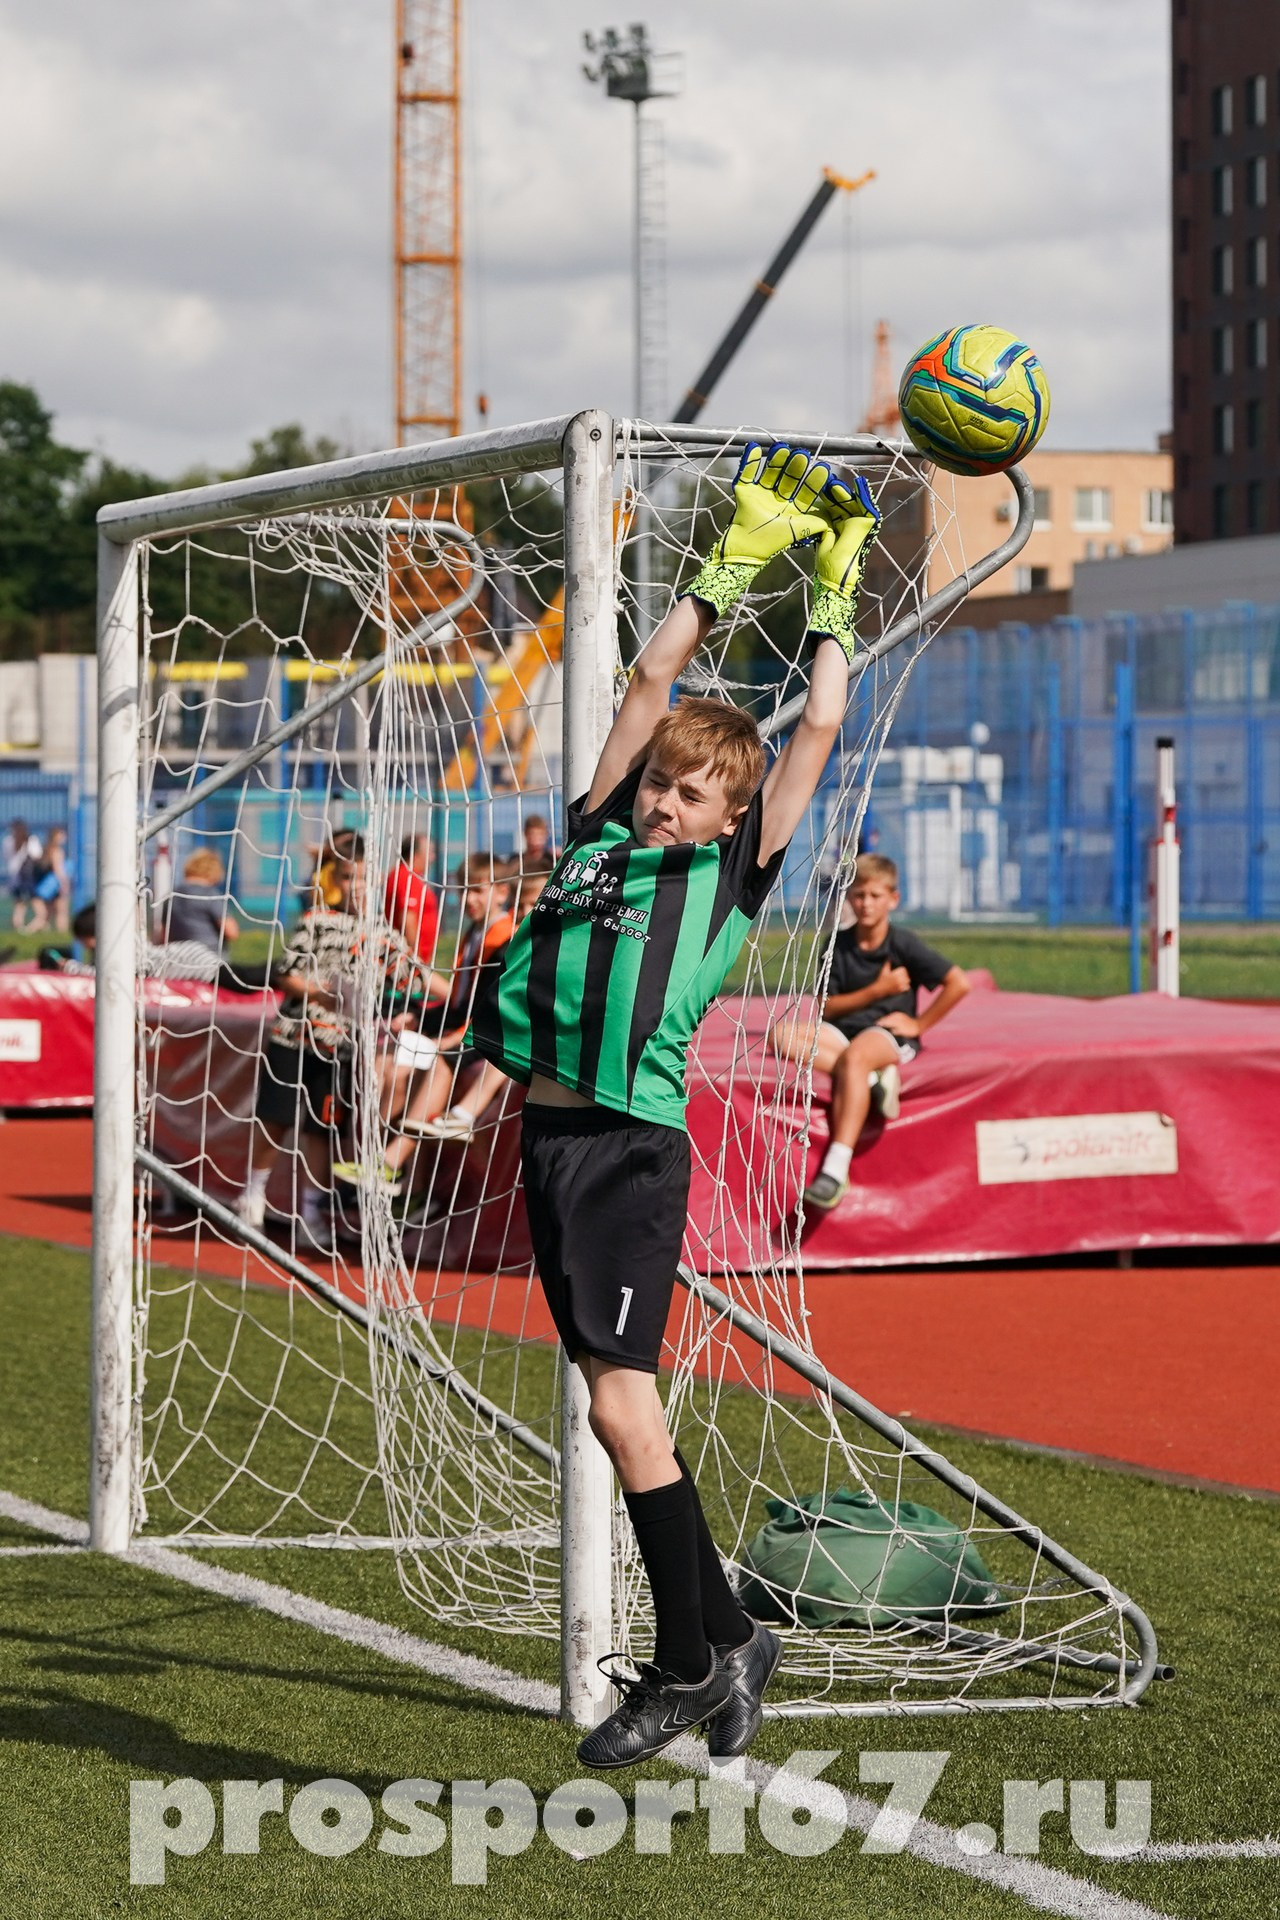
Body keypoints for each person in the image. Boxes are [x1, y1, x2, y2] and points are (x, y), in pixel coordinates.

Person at [469, 441, 882, 1768]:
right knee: (608, 1400)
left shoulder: (734, 877)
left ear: (727, 820)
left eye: (694, 794)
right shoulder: (594, 832)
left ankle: (691, 1663)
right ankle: (737, 1636)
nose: (667, 800)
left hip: (634, 1152)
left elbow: (815, 728)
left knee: (620, 1409)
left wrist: (832, 586)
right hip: (549, 1141)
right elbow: (651, 678)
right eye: (661, 782)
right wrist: (727, 563)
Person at [774, 853, 969, 1213]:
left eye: (875, 896)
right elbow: (826, 1007)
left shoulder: (902, 944)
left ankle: (835, 1167)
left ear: (893, 899)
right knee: (781, 1035)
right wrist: (876, 991)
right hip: (842, 1031)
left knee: (858, 1056)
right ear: (849, 898)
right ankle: (869, 1080)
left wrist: (920, 1024)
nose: (865, 904)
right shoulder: (837, 943)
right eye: (859, 895)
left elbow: (959, 983)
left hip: (884, 1034)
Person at [334, 852, 515, 1191]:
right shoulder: (476, 933)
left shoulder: (506, 939)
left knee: (420, 1068)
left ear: (503, 892)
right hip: (460, 1028)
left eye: (477, 890)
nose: (469, 899)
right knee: (390, 1067)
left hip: (485, 1037)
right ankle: (388, 1170)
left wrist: (451, 1038)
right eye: (464, 892)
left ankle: (392, 1166)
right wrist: (419, 1017)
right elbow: (461, 1001)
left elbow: (489, 1007)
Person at [237, 854, 368, 1252]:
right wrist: (319, 993)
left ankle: (311, 1213)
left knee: (320, 1129)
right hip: (296, 1036)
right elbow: (285, 974)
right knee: (276, 1119)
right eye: (348, 878)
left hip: (339, 1046)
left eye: (363, 880)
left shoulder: (380, 933)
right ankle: (252, 1195)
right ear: (335, 882)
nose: (356, 887)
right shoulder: (315, 921)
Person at [164, 847, 239, 954]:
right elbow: (232, 932)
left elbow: (164, 936)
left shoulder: (171, 896)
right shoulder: (210, 895)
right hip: (210, 958)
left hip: (180, 958)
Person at [384, 830, 440, 964]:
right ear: (415, 855)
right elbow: (408, 920)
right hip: (409, 960)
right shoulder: (407, 877)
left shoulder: (403, 875)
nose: (433, 858)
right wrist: (416, 960)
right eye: (430, 853)